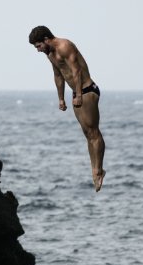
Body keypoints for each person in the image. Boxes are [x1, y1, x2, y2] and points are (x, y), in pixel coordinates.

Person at [28, 25, 106, 191]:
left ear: (46, 39)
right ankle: (94, 169)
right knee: (87, 134)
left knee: (94, 132)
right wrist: (61, 98)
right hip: (76, 93)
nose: (38, 50)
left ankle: (99, 170)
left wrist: (78, 95)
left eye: (38, 46)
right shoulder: (49, 53)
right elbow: (58, 75)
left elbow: (76, 71)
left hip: (87, 90)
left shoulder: (65, 46)